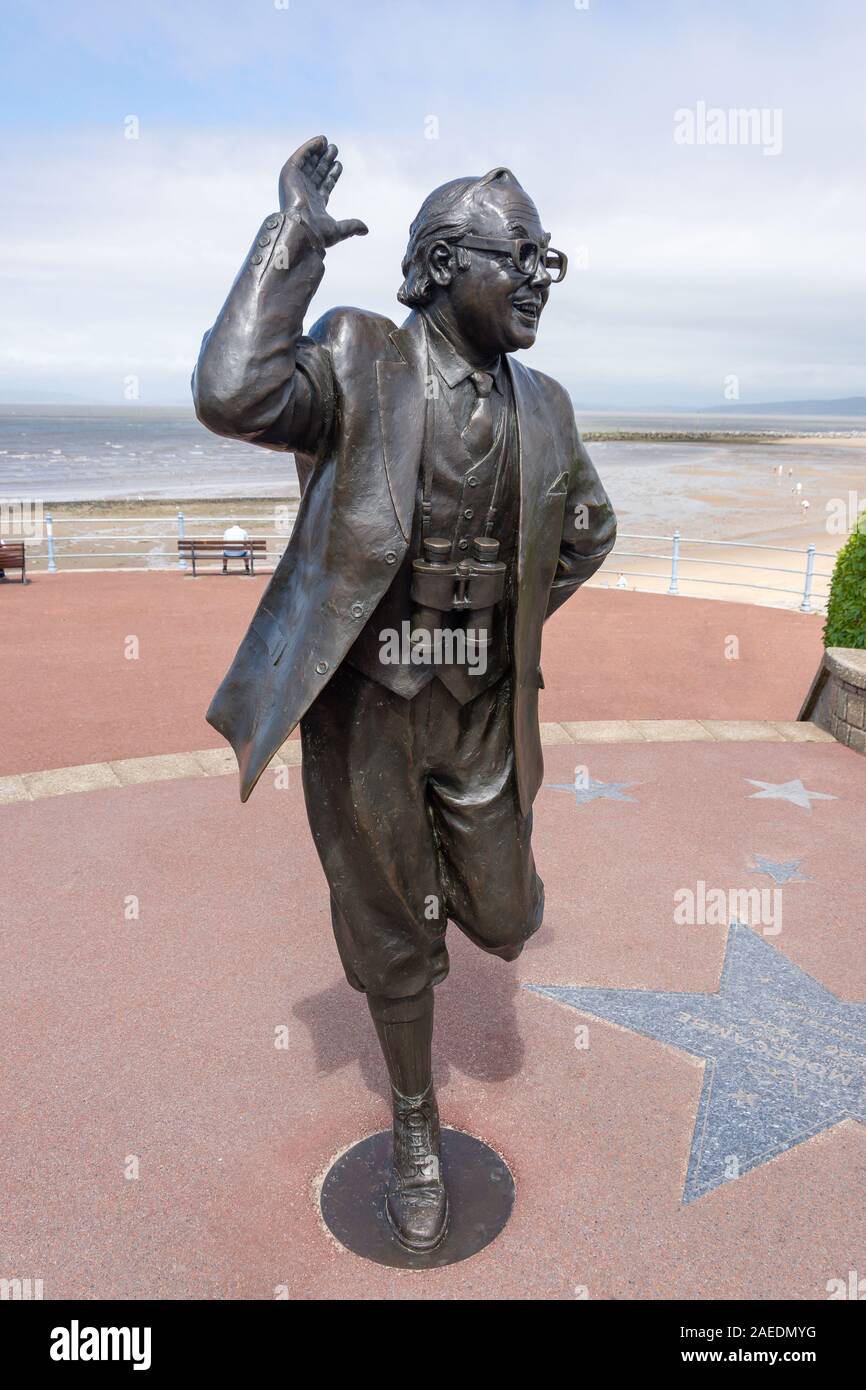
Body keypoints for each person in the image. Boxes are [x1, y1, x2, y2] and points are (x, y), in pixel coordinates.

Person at [193, 136, 616, 1252]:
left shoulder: (548, 404)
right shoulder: (359, 356)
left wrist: (504, 619)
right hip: (368, 708)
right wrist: (291, 238)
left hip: (479, 709)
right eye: (515, 255)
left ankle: (486, 888)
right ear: (434, 264)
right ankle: (415, 1127)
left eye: (547, 260)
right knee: (392, 929)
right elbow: (230, 391)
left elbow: (588, 530)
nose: (535, 277)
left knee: (503, 918)